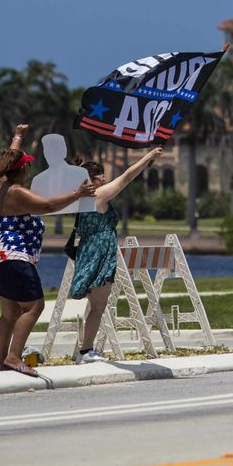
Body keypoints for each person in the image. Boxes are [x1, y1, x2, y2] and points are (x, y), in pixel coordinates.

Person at [0, 124, 96, 376]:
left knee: (10, 313)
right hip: (15, 258)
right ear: (21, 169)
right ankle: (14, 357)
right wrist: (77, 193)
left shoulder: (3, 185)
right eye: (26, 164)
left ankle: (1, 362)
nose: (28, 166)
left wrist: (18, 137)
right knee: (34, 307)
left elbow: (9, 159)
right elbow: (46, 206)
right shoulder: (17, 192)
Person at [70, 146, 163, 363]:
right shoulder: (98, 195)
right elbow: (127, 176)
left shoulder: (79, 198)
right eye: (100, 175)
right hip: (100, 252)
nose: (104, 178)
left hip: (89, 250)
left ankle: (85, 350)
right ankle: (86, 351)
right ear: (91, 179)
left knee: (97, 305)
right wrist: (147, 157)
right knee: (99, 306)